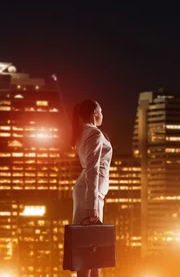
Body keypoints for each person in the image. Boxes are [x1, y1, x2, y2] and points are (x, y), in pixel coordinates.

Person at [71, 100, 113, 277]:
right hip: (90, 195)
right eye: (101, 111)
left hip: (90, 193)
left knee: (94, 249)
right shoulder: (94, 133)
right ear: (95, 112)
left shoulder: (83, 133)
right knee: (89, 249)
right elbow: (92, 170)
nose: (103, 114)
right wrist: (92, 206)